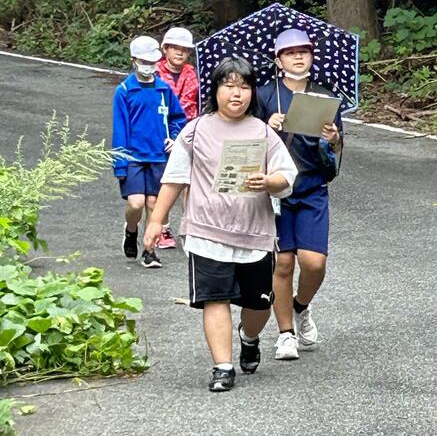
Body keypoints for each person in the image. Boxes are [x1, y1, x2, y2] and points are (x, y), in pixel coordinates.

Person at [143, 56, 297, 393]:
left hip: (254, 233)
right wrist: (156, 221)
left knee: (259, 304)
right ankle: (222, 367)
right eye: (228, 86)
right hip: (205, 231)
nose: (236, 94)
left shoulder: (263, 132)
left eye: (244, 87)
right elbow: (175, 178)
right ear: (215, 90)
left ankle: (249, 336)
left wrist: (268, 182)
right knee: (215, 299)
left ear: (252, 92)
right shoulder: (195, 130)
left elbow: (287, 176)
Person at [256, 28, 343, 361]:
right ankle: (285, 334)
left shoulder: (323, 95)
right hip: (276, 191)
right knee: (283, 263)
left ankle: (301, 305)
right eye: (290, 53)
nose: (297, 57)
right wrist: (267, 127)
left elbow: (337, 148)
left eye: (303, 51)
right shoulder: (264, 95)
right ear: (278, 60)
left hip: (312, 187)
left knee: (314, 263)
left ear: (311, 56)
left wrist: (333, 137)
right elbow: (247, 139)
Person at [112, 35, 187, 269]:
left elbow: (178, 118)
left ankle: (149, 251)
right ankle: (131, 230)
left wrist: (174, 138)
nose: (149, 66)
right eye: (144, 61)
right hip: (133, 157)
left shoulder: (164, 89)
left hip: (159, 156)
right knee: (136, 204)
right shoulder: (124, 91)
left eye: (152, 62)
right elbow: (120, 129)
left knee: (154, 205)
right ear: (134, 61)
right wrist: (120, 164)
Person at [155, 26, 200, 249]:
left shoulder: (194, 74)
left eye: (185, 49)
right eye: (175, 48)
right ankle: (162, 227)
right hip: (161, 132)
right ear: (165, 49)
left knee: (191, 182)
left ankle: (190, 226)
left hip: (189, 130)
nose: (180, 53)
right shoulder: (154, 73)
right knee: (163, 182)